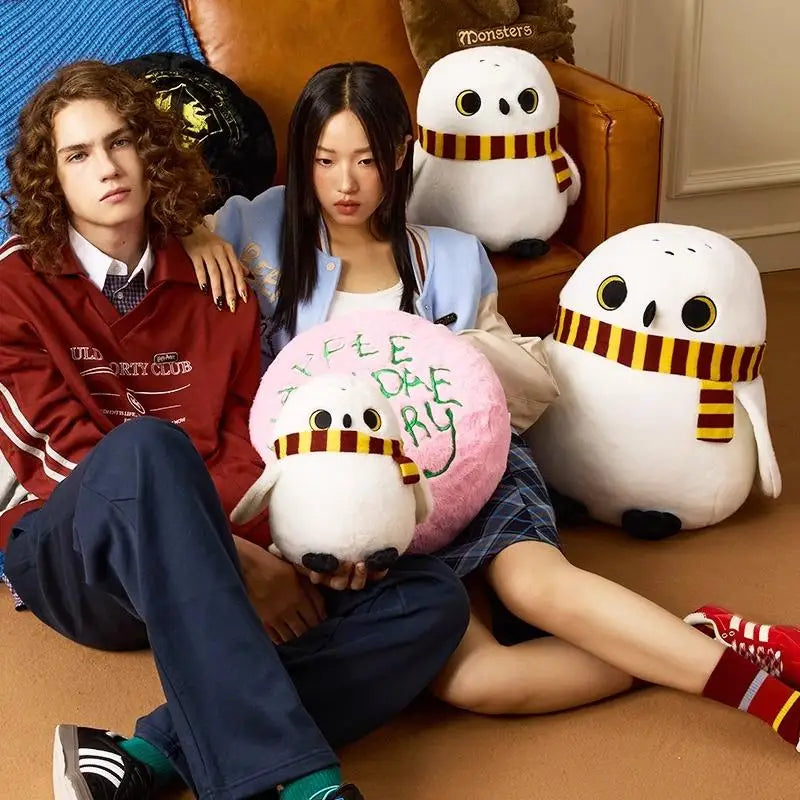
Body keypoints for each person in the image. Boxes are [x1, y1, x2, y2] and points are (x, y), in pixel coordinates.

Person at [183, 59, 800, 757]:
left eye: (366, 159)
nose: (344, 184)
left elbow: (511, 382)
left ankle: (770, 702)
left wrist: (457, 349)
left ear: (401, 154)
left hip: (468, 461)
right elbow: (155, 231)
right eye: (325, 160)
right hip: (367, 498)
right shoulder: (253, 227)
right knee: (477, 680)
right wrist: (197, 233)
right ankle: (701, 638)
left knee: (535, 589)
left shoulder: (452, 257)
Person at [0, 60, 471, 800]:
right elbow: (55, 461)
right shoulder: (13, 285)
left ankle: (149, 755)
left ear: (149, 150)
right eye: (78, 155)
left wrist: (299, 548)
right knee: (150, 448)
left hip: (206, 574)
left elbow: (249, 442)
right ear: (50, 179)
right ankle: (307, 783)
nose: (108, 168)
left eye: (120, 142)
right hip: (79, 562)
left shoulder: (219, 280)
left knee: (430, 597)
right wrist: (233, 561)